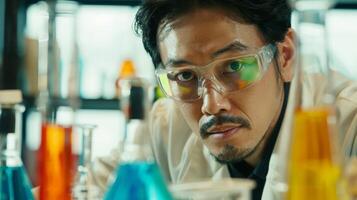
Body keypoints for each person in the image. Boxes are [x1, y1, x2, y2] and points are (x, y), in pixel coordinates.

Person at [92, 0, 357, 199]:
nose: (211, 104)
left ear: (285, 56)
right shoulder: (165, 126)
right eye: (184, 75)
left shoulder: (349, 126)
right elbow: (86, 188)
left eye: (234, 67)